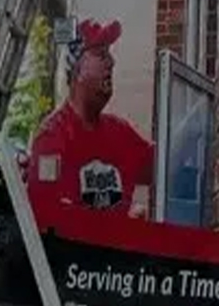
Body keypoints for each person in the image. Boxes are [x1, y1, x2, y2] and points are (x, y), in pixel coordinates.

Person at [25, 18, 155, 220]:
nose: (111, 62)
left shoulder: (119, 133)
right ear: (77, 70)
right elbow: (47, 217)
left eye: (109, 55)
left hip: (120, 251)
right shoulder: (53, 137)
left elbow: (163, 169)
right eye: (101, 55)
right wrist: (121, 223)